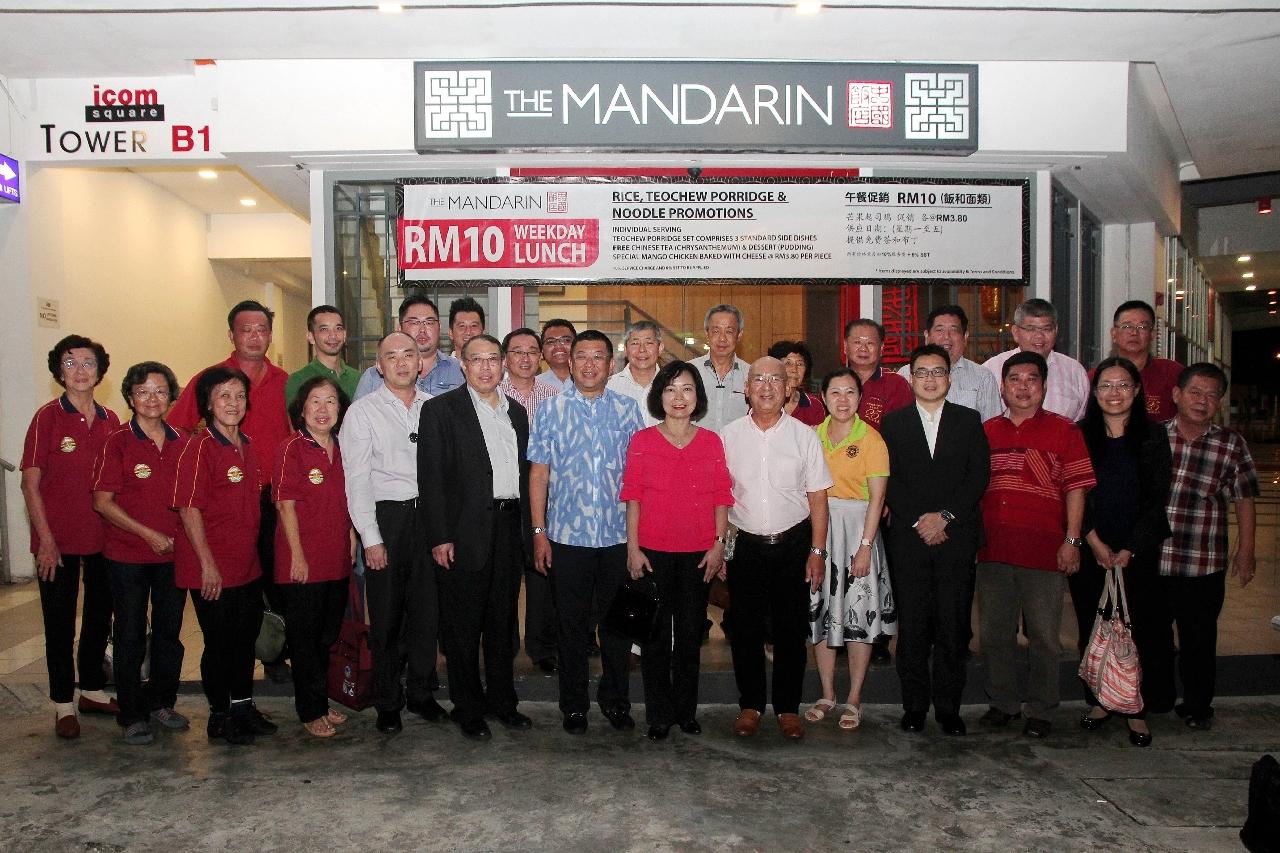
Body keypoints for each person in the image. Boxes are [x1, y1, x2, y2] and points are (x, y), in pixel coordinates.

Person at [168, 299, 292, 681]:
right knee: (224, 592)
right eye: (246, 329)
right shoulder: (211, 379)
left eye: (262, 329)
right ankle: (225, 679)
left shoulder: (285, 381)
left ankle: (271, 656)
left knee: (271, 583)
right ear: (232, 335)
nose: (255, 336)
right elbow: (177, 431)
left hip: (272, 500)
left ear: (270, 335)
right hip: (223, 503)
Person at [529, 330, 645, 734]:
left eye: (599, 356)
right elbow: (539, 474)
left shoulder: (629, 411)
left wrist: (636, 540)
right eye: (582, 356)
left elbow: (638, 479)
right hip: (566, 538)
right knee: (571, 627)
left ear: (611, 365)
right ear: (570, 362)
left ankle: (615, 700)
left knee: (616, 628)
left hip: (616, 538)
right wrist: (539, 531)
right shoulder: (549, 410)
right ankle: (573, 705)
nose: (590, 364)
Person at [419, 335, 534, 740]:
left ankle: (503, 703)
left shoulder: (516, 413)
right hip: (462, 532)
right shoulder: (440, 411)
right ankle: (468, 707)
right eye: (476, 360)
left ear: (502, 365)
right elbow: (431, 480)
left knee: (502, 624)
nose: (486, 367)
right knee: (463, 625)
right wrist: (439, 537)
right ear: (462, 365)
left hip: (508, 527)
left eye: (492, 360)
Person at [977, 351, 1095, 739]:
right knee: (996, 633)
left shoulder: (1065, 431)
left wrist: (1072, 540)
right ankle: (1003, 703)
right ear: (1003, 386)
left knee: (1044, 636)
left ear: (1044, 386)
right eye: (1015, 379)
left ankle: (1042, 709)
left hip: (1044, 550)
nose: (1023, 387)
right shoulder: (987, 431)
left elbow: (1076, 489)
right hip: (993, 550)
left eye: (1032, 380)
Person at [881, 345, 990, 736]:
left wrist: (944, 517)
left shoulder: (968, 419)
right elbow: (887, 479)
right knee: (912, 626)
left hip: (955, 537)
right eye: (922, 372)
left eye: (938, 372)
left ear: (949, 378)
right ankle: (913, 707)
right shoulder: (893, 424)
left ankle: (948, 708)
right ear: (911, 378)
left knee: (952, 624)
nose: (930, 379)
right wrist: (918, 520)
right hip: (909, 540)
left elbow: (977, 476)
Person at [722, 356, 833, 740]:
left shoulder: (806, 436)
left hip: (793, 543)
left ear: (789, 388)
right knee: (745, 630)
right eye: (758, 379)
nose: (767, 386)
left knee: (790, 630)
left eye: (775, 380)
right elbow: (720, 498)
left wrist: (817, 552)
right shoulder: (728, 436)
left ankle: (788, 707)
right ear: (746, 388)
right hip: (746, 545)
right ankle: (750, 705)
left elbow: (818, 498)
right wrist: (720, 546)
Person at [621, 360, 733, 741]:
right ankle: (658, 714)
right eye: (670, 389)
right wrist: (633, 549)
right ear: (659, 396)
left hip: (699, 554)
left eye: (686, 388)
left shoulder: (712, 441)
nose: (678, 397)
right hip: (652, 552)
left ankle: (686, 711)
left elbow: (722, 498)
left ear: (697, 396)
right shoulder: (642, 441)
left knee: (688, 636)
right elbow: (632, 498)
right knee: (653, 637)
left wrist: (719, 546)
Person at [342, 331, 446, 734]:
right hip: (388, 518)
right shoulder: (363, 412)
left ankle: (421, 693)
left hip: (430, 519)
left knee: (427, 612)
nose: (402, 362)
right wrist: (370, 537)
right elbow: (358, 479)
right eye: (392, 356)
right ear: (379, 366)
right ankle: (388, 700)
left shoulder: (436, 408)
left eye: (410, 354)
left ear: (421, 362)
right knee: (386, 616)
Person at [21, 335, 121, 739]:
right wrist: (44, 538)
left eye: (88, 363)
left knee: (100, 616)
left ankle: (93, 690)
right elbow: (30, 484)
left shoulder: (112, 420)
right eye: (71, 363)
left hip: (104, 538)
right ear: (58, 371)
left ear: (100, 371)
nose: (80, 371)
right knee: (59, 622)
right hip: (56, 541)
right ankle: (64, 702)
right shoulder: (48, 417)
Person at [171, 366, 276, 745]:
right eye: (224, 396)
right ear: (208, 403)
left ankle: (243, 706)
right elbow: (188, 509)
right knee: (219, 643)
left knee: (246, 640)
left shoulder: (246, 444)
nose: (233, 403)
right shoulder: (199, 447)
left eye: (239, 396)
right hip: (210, 567)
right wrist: (207, 565)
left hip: (246, 565)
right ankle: (219, 715)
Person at [1072, 357, 1172, 748]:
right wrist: (1093, 541)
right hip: (1092, 544)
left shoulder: (1154, 436)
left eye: (1123, 385)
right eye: (1106, 387)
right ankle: (1099, 701)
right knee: (1092, 624)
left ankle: (1134, 707)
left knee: (1138, 628)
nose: (1114, 394)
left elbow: (1156, 498)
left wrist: (1130, 547)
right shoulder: (1079, 434)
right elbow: (1076, 492)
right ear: (1094, 394)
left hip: (1138, 550)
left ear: (1136, 391)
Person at [1153, 362, 1259, 730]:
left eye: (1212, 395)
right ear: (1177, 395)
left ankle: (1198, 705)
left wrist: (1246, 551)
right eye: (1196, 392)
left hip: (1203, 560)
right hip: (1155, 559)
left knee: (1199, 638)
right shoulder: (1154, 437)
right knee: (1154, 636)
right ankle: (1159, 698)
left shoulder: (1231, 444)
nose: (1203, 401)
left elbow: (1245, 499)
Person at [91, 361, 189, 745]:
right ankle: (131, 713)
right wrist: (147, 534)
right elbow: (103, 502)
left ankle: (162, 701)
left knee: (170, 633)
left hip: (173, 557)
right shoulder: (116, 441)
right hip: (128, 555)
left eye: (161, 391)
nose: (153, 398)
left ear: (171, 396)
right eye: (144, 391)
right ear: (131, 396)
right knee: (130, 634)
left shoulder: (182, 441)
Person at [803, 368, 892, 733]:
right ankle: (827, 693)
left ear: (860, 398)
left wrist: (866, 547)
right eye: (835, 392)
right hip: (819, 532)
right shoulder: (810, 437)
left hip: (858, 533)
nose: (842, 400)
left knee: (858, 616)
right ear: (823, 397)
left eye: (850, 393)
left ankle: (854, 696)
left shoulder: (872, 440)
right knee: (821, 611)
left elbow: (878, 499)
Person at [272, 376, 355, 739]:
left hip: (336, 558)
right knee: (304, 641)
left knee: (326, 637)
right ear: (302, 408)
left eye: (331, 402)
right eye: (315, 402)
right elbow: (285, 505)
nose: (323, 410)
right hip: (301, 564)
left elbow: (348, 501)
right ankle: (309, 711)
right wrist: (297, 555)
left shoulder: (343, 447)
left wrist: (351, 539)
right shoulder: (292, 448)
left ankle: (320, 701)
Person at [498, 327, 560, 673]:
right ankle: (504, 644)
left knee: (542, 572)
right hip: (505, 496)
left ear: (541, 357)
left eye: (531, 351)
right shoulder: (493, 395)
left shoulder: (555, 396)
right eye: (517, 351)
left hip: (545, 495)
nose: (525, 358)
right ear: (506, 358)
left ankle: (542, 647)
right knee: (505, 574)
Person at [982, 298, 1090, 421]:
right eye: (1031, 329)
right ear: (1016, 332)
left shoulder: (1074, 371)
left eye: (1046, 329)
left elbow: (1080, 421)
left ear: (1056, 331)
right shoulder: (991, 370)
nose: (1039, 336)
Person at [896, 305, 1002, 421]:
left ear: (965, 337)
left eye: (954, 330)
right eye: (939, 330)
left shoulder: (983, 377)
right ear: (927, 336)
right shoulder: (906, 374)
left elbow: (992, 426)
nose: (946, 336)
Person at [353, 294, 464, 400]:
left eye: (429, 322)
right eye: (414, 322)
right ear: (399, 328)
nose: (422, 330)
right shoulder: (374, 377)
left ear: (439, 327)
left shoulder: (460, 371)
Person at [1097, 300, 1183, 421]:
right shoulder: (1097, 376)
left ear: (1152, 334)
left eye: (1142, 327)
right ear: (1114, 334)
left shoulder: (1173, 373)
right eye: (1127, 326)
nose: (1134, 332)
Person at [689, 304, 750, 434]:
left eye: (729, 331)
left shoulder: (750, 374)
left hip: (737, 450)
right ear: (707, 333)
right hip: (698, 450)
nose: (722, 338)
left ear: (739, 335)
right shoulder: (689, 371)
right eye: (716, 331)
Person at [845, 318, 914, 431]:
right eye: (857, 342)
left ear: (881, 348)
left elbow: (906, 429)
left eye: (870, 343)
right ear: (845, 346)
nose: (863, 348)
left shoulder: (896, 384)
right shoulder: (835, 382)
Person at [286, 304, 360, 404]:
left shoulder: (358, 378)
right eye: (324, 329)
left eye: (338, 328)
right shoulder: (298, 381)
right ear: (311, 337)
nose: (333, 335)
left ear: (344, 335)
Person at [607, 320, 665, 427]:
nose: (642, 349)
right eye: (635, 343)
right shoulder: (609, 387)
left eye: (649, 343)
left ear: (660, 348)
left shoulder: (672, 386)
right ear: (625, 349)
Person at [768, 340, 827, 427]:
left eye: (800, 364)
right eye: (788, 363)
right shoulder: (764, 401)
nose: (794, 369)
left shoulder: (814, 405)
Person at [537, 318, 577, 390]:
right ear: (542, 350)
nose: (558, 346)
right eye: (551, 341)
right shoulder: (533, 386)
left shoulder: (593, 382)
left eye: (566, 340)